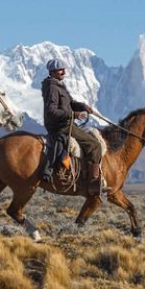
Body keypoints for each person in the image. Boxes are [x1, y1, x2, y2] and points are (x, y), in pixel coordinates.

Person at [41, 59, 103, 194]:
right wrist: (74, 115)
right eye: (60, 70)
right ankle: (92, 183)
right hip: (61, 126)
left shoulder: (58, 85)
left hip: (66, 123)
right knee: (94, 145)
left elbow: (71, 103)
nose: (64, 72)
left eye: (64, 69)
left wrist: (84, 107)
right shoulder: (52, 88)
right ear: (52, 72)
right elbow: (51, 111)